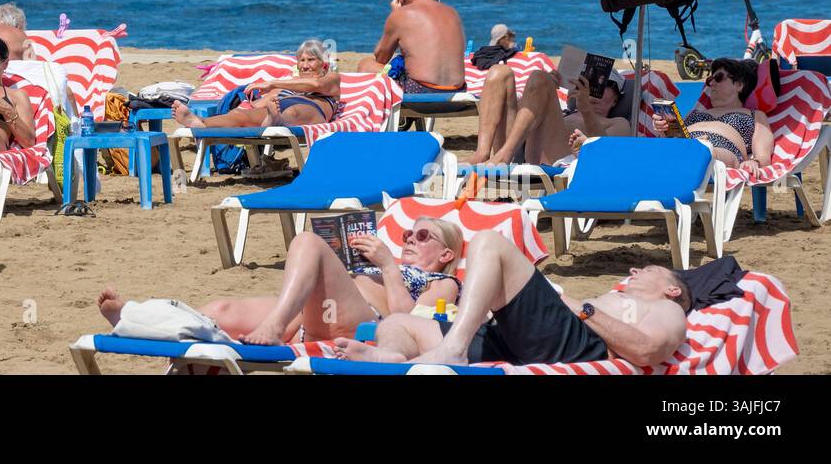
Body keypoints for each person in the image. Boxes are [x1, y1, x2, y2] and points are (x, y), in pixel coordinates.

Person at [334, 229, 690, 368]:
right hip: (525, 340)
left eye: (649, 269)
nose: (635, 271)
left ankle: (452, 349)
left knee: (491, 243)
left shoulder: (667, 309)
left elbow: (647, 350)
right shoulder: (614, 298)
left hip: (575, 345)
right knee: (399, 323)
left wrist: (581, 307)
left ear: (672, 288)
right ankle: (394, 357)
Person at [98, 217, 463, 346]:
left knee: (306, 242)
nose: (410, 241)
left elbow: (407, 321)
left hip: (363, 324)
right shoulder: (387, 265)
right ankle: (134, 320)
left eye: (423, 236)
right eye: (407, 236)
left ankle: (274, 326)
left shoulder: (443, 283)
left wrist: (387, 265)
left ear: (447, 255)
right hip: (311, 317)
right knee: (218, 309)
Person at [171, 39, 343, 129]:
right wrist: (247, 106)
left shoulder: (332, 78)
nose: (305, 65)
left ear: (324, 64)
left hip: (312, 108)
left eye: (311, 60)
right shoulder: (288, 84)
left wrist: (272, 84)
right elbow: (263, 103)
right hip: (276, 110)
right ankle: (200, 122)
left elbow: (315, 85)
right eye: (301, 60)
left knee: (293, 111)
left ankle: (277, 120)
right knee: (242, 116)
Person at [474, 69, 629, 166]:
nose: (594, 89)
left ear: (616, 99)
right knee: (500, 74)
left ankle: (505, 155)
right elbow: (518, 117)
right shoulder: (563, 111)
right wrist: (540, 92)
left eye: (607, 84)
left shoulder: (619, 123)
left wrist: (586, 110)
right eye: (587, 82)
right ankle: (482, 154)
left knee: (539, 77)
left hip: (563, 163)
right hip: (523, 150)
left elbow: (605, 155)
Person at [656, 58, 773, 176]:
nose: (711, 84)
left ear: (738, 85)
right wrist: (663, 129)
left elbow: (764, 154)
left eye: (718, 78)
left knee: (701, 152)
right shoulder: (696, 112)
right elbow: (674, 137)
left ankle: (695, 151)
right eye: (710, 80)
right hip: (685, 145)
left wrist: (756, 162)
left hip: (721, 147)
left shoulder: (754, 114)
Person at [356, 0, 466, 93]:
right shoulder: (452, 12)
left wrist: (395, 14)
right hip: (458, 91)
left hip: (421, 92)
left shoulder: (400, 15)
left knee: (365, 65)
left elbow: (381, 58)